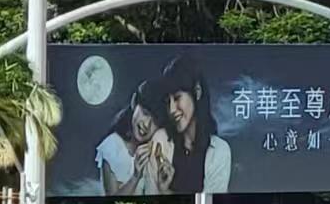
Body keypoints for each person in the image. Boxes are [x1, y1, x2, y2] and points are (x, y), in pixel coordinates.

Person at [161, 56, 232, 193]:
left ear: (197, 92)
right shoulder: (164, 143)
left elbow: (213, 200)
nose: (171, 109)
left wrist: (165, 192)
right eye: (167, 102)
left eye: (177, 98)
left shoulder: (219, 151)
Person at [94, 81, 172, 196]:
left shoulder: (155, 149)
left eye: (155, 121)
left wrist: (163, 187)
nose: (146, 124)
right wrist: (135, 176)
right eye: (145, 113)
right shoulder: (112, 147)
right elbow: (111, 201)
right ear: (134, 102)